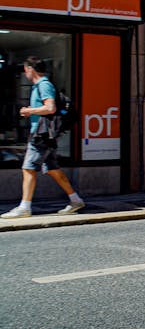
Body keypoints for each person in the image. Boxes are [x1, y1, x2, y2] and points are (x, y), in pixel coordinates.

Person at [2, 57, 85, 218]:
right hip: (44, 134)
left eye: (26, 69)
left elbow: (50, 107)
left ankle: (25, 207)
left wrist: (30, 111)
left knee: (28, 168)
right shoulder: (39, 86)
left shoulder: (44, 85)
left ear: (31, 69)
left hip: (41, 135)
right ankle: (75, 200)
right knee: (53, 170)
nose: (25, 72)